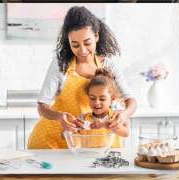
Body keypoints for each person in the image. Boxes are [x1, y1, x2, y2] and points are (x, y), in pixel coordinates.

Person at [27, 6, 136, 149]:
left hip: (91, 142)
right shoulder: (61, 65)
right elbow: (42, 107)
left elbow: (131, 101)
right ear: (68, 41)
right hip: (52, 140)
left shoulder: (108, 66)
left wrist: (124, 114)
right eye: (75, 45)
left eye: (87, 43)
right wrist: (60, 117)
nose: (83, 51)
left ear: (96, 36)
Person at [76, 68, 129, 148]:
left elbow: (126, 133)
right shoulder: (83, 118)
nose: (97, 102)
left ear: (112, 99)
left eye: (102, 99)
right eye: (92, 98)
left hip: (112, 158)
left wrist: (105, 124)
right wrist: (71, 128)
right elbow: (65, 135)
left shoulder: (117, 117)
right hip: (89, 157)